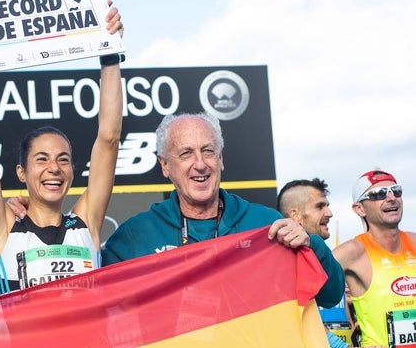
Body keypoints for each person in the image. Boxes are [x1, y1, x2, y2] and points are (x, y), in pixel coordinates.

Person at [0, 0, 124, 294]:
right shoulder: (4, 228)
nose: (54, 168)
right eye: (41, 159)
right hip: (24, 343)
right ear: (21, 172)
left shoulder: (87, 223)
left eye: (63, 159)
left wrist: (109, 54)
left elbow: (108, 138)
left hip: (90, 342)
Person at [100, 112, 344, 308]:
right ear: (165, 165)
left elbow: (330, 296)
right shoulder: (135, 237)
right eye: (186, 153)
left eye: (208, 151)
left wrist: (310, 245)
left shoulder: (266, 224)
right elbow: (102, 313)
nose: (200, 164)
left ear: (221, 159)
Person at [277, 177, 388, 348]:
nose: (329, 212)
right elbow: (291, 322)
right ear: (296, 216)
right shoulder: (281, 264)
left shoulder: (333, 261)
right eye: (320, 206)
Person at [334, 169, 416, 348]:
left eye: (396, 191)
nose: (391, 198)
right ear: (359, 208)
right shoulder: (351, 253)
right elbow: (298, 298)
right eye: (379, 194)